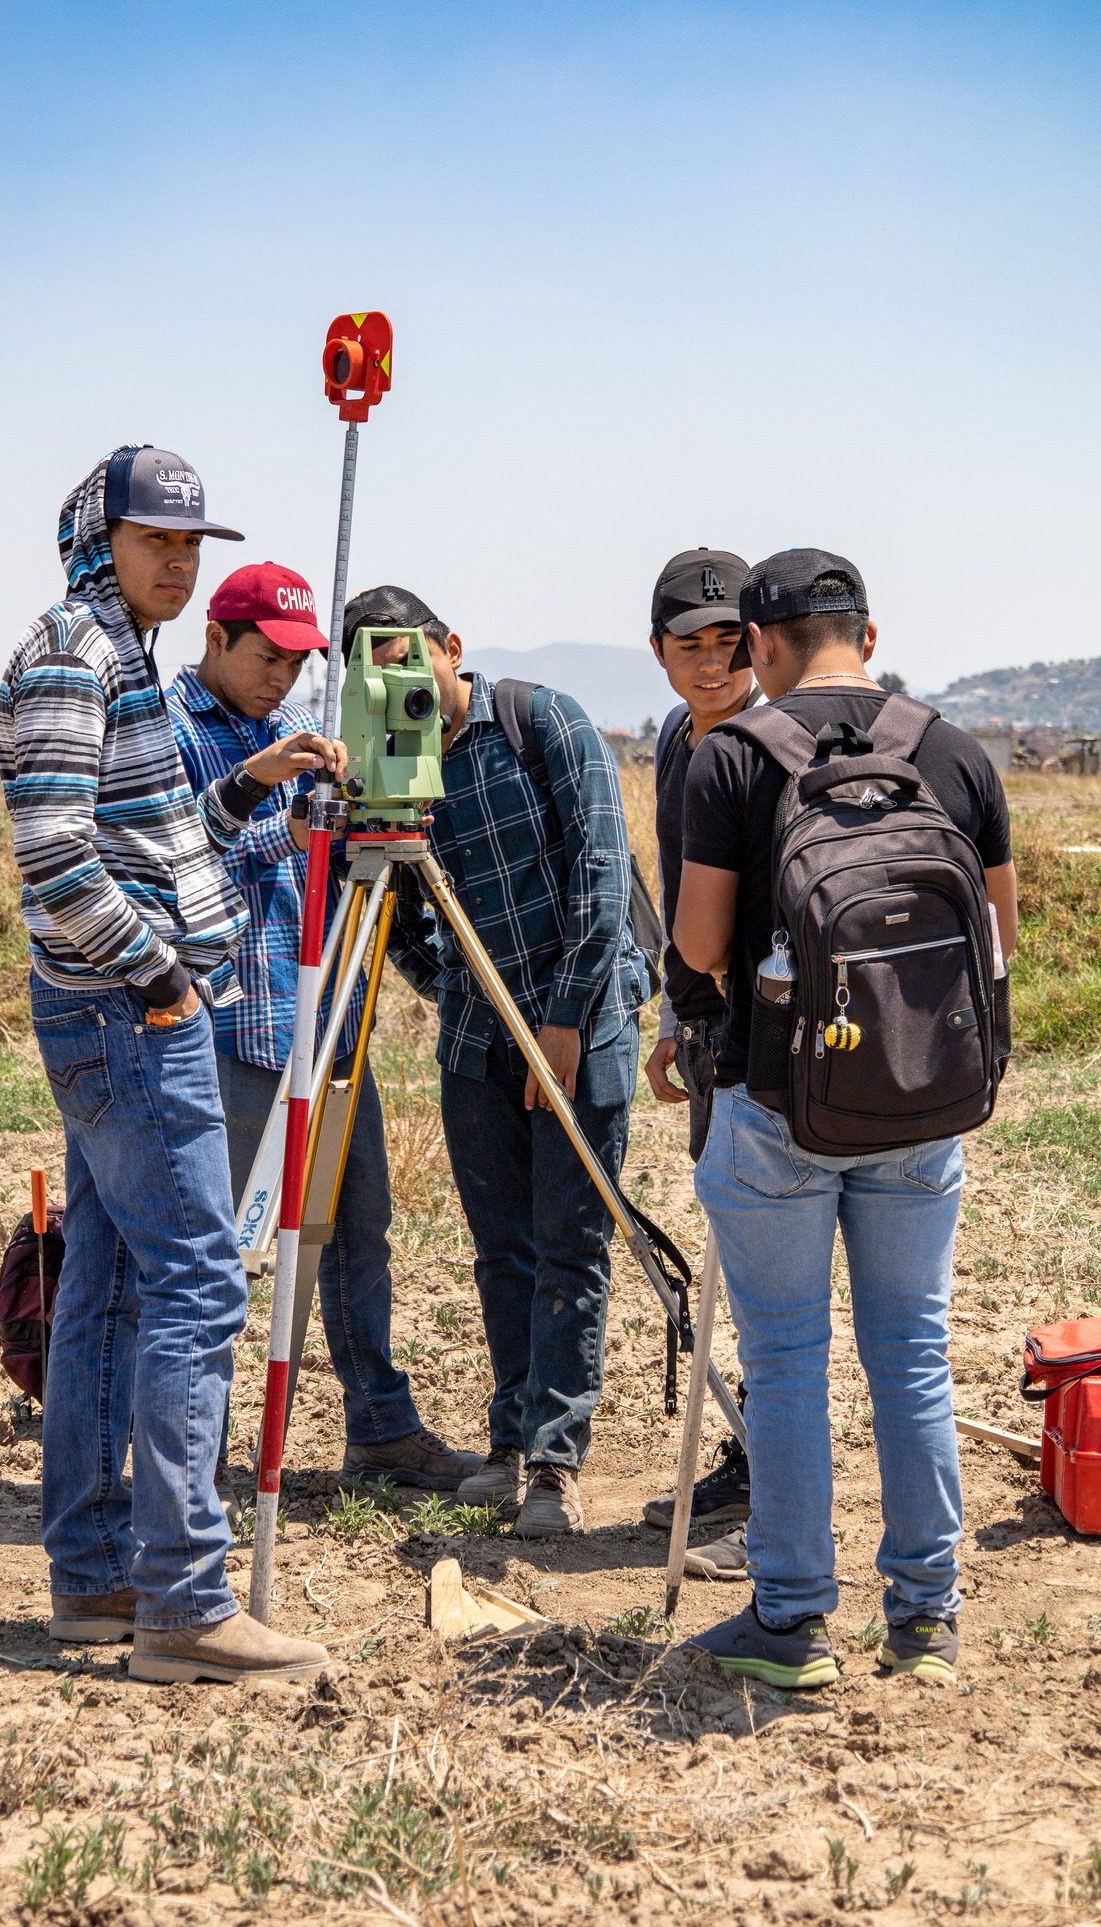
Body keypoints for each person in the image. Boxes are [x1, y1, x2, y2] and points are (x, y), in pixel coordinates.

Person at [0, 444, 344, 1685]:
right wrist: (158, 976)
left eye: (194, 544)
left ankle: (97, 1577)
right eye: (158, 541)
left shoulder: (114, 653)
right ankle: (188, 1600)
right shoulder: (72, 656)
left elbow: (148, 837)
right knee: (198, 1282)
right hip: (129, 1018)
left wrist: (245, 788)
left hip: (119, 1012)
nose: (181, 563)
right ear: (98, 540)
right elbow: (54, 857)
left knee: (106, 1287)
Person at [673, 549, 1016, 1688]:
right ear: (866, 636)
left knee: (785, 1357)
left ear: (761, 648)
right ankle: (925, 1616)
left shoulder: (731, 756)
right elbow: (995, 945)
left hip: (781, 1101)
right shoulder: (953, 751)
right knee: (912, 1350)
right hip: (923, 1101)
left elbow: (702, 946)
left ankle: (792, 1620)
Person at [342, 586, 650, 1537]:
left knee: (569, 1243)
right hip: (477, 1042)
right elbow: (392, 908)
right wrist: (452, 991)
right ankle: (510, 1440)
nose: (393, 682)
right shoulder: (391, 760)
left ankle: (555, 1464)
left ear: (449, 648)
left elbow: (603, 874)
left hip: (582, 1024)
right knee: (501, 1250)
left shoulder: (540, 721)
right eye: (370, 668)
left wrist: (559, 1022)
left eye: (405, 658)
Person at [167, 561, 480, 1492]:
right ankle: (197, 1464)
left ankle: (381, 1430)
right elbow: (178, 851)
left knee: (355, 1233)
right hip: (229, 1035)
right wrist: (288, 820)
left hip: (326, 1014)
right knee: (220, 1255)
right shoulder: (169, 727)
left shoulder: (293, 732)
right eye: (267, 656)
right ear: (217, 638)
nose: (281, 677)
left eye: (299, 662)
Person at [638, 549, 759, 1581]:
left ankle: (772, 1490)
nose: (712, 663)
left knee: (769, 1267)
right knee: (734, 1237)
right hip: (710, 1026)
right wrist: (680, 1010)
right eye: (693, 645)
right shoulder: (679, 739)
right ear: (660, 652)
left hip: (779, 1041)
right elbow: (682, 884)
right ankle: (753, 1460)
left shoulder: (784, 738)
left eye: (730, 642)